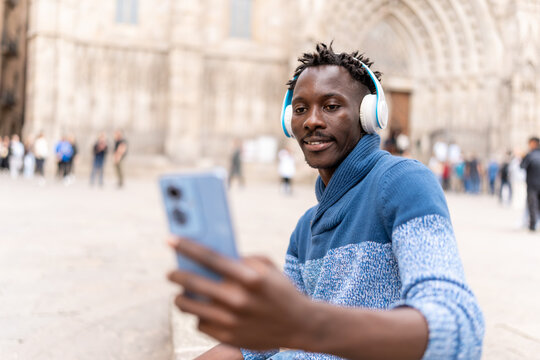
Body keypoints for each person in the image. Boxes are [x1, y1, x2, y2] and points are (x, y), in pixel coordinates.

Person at [167, 43, 484, 359]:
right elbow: (258, 343)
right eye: (301, 109)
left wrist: (305, 323)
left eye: (331, 106)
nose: (311, 121)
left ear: (369, 116)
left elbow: (459, 331)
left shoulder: (403, 181)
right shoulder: (306, 228)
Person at [520, 136, 540, 231]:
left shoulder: (530, 155)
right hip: (534, 183)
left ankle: (533, 225)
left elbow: (522, 166)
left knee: (532, 204)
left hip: (532, 184)